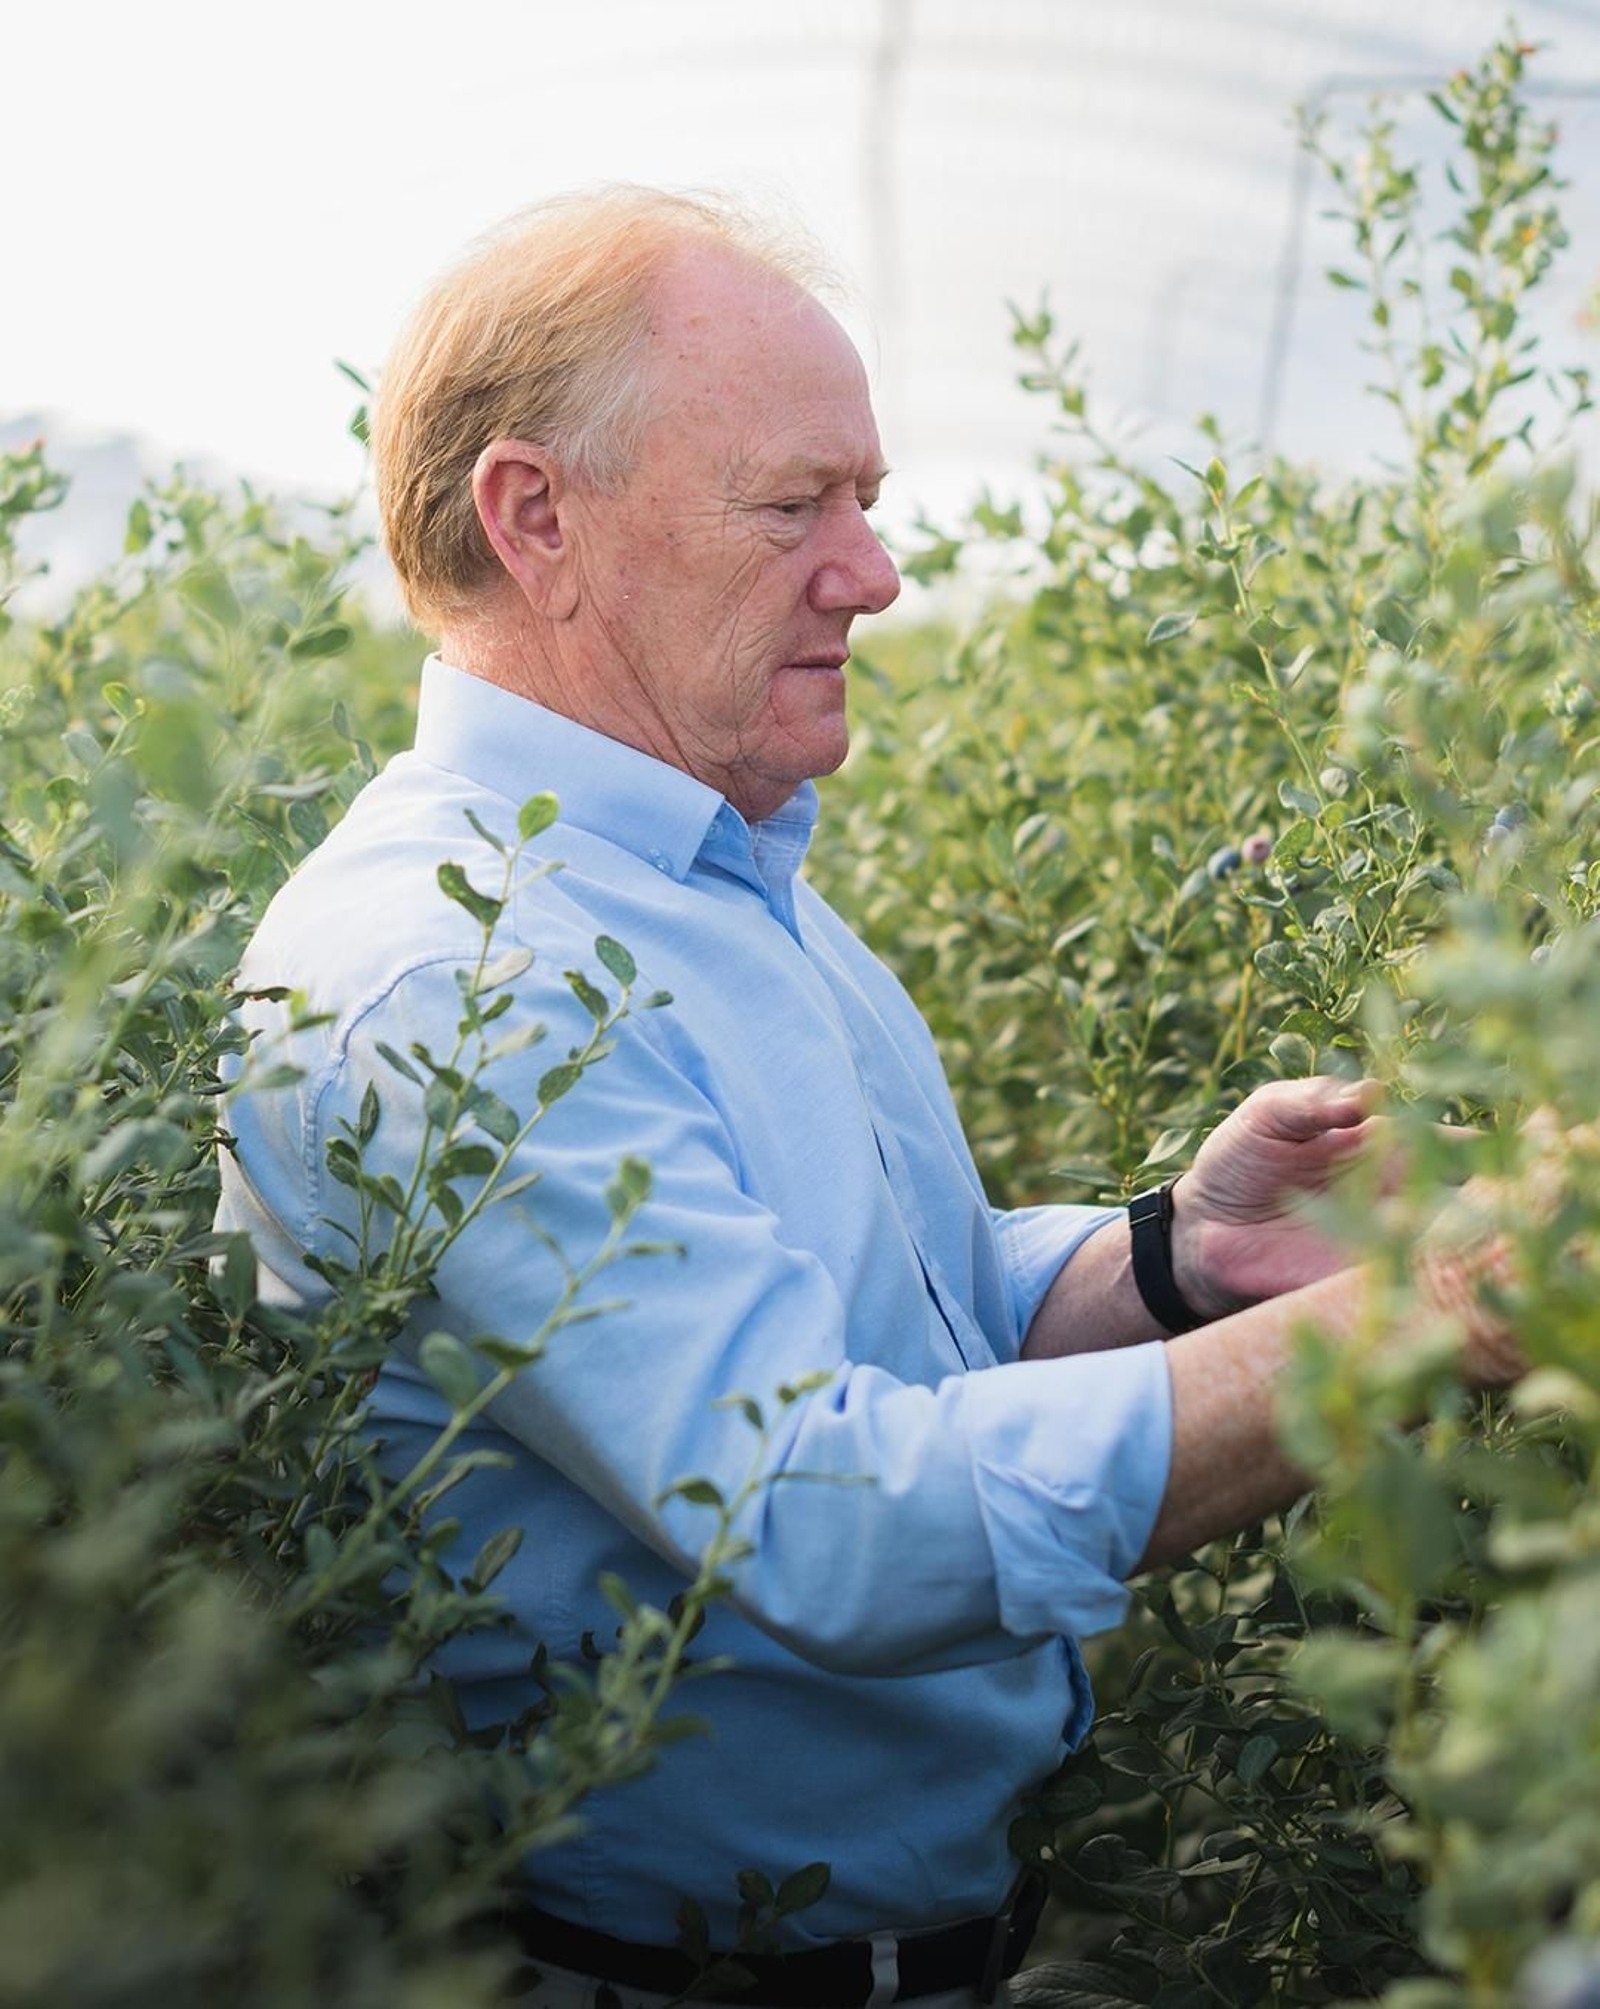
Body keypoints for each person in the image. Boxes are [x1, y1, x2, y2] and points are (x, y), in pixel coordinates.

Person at [215, 189, 1520, 2008]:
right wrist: (1429, 1313)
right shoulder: (460, 973)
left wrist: (1173, 1262)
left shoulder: (723, 881)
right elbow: (822, 1508)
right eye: (793, 503)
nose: (874, 570)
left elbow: (873, 1327)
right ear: (537, 518)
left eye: (871, 501)